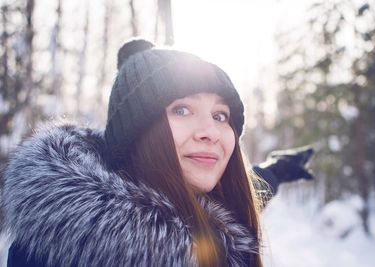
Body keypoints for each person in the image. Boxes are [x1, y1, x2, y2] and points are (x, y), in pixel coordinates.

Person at [3, 39, 313, 267]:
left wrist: (276, 171)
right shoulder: (53, 251)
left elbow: (239, 193)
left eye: (221, 115)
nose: (211, 131)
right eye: (182, 109)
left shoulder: (208, 204)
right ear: (135, 133)